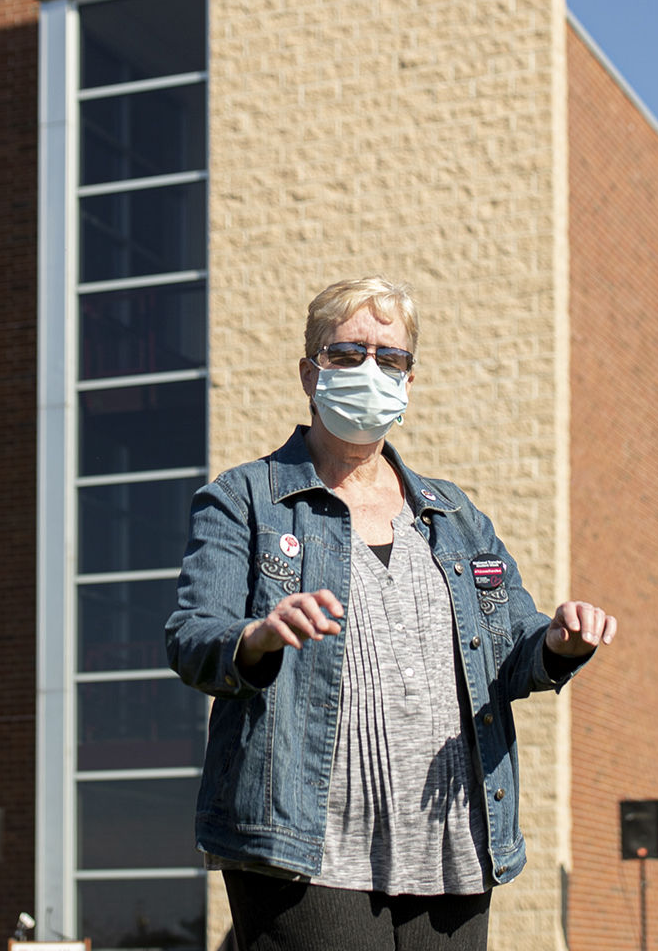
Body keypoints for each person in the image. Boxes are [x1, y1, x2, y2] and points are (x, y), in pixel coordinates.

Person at [168, 277, 616, 951]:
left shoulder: (454, 515)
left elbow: (515, 650)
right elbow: (192, 638)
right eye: (348, 354)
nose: (370, 370)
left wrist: (559, 642)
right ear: (309, 372)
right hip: (305, 843)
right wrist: (257, 638)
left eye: (390, 357)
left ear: (409, 380)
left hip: (453, 838)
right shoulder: (244, 499)